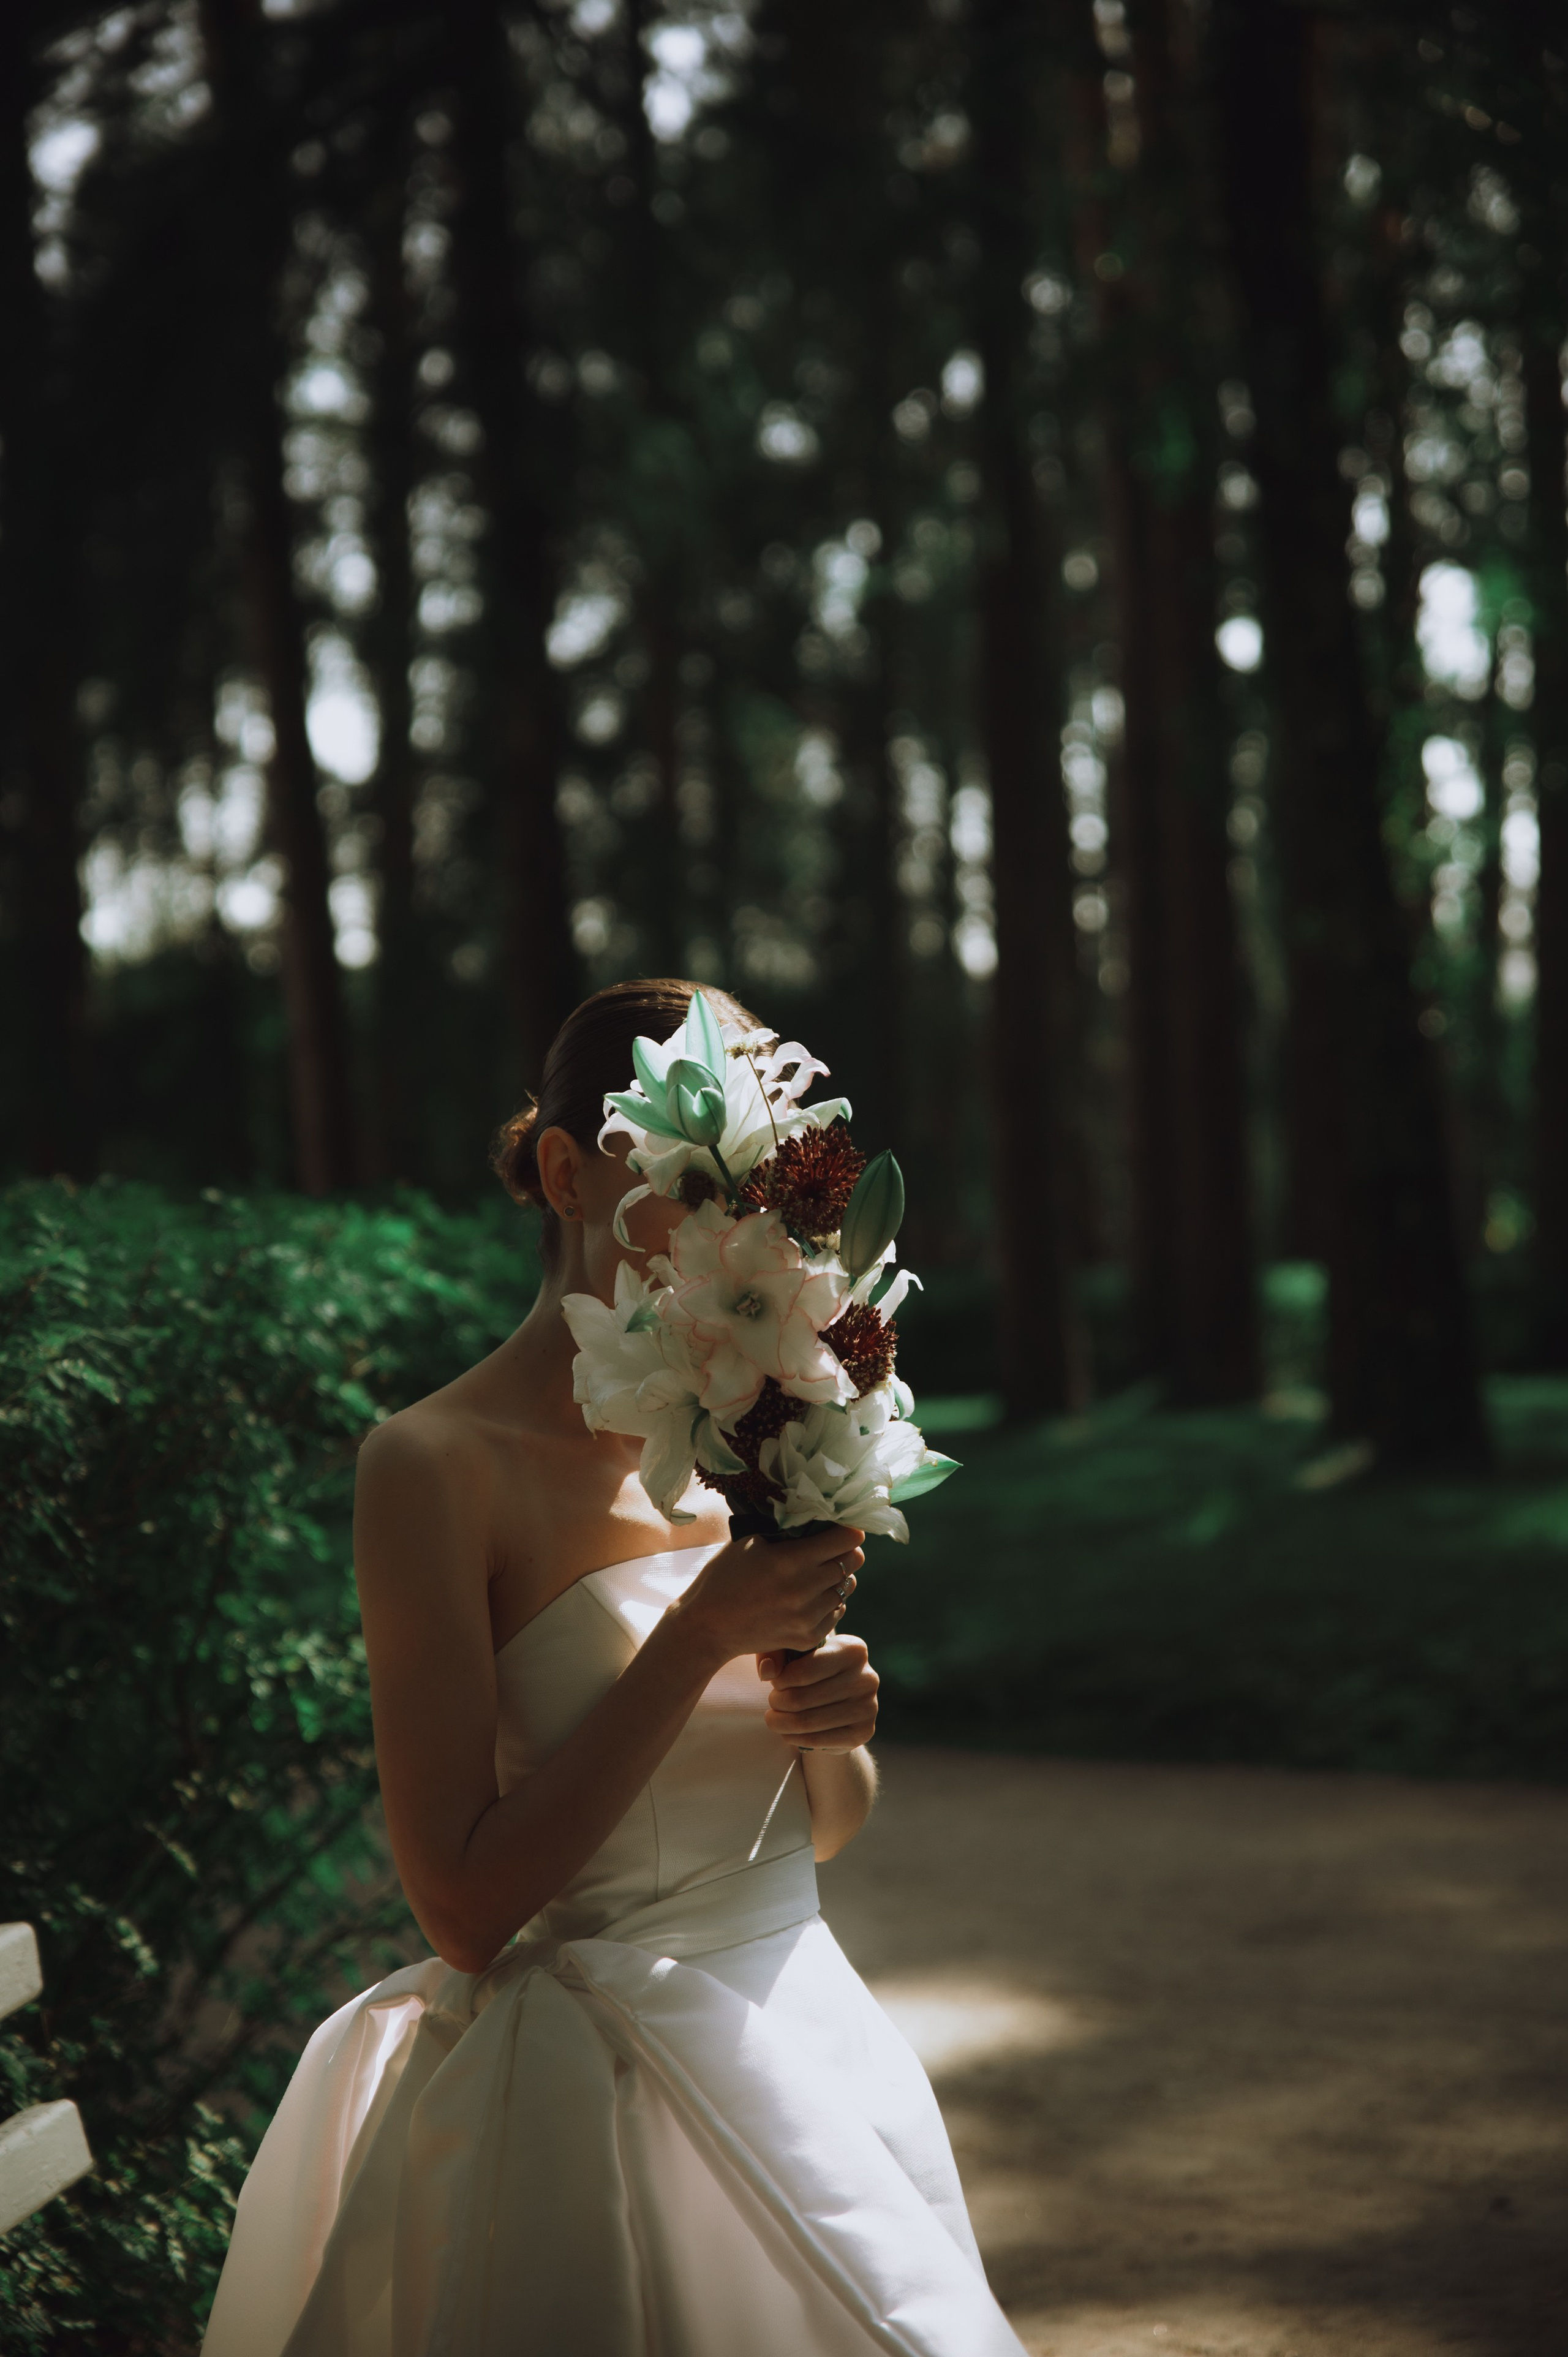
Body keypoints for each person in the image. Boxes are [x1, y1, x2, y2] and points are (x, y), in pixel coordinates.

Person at [203, 978, 1027, 2357]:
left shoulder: (754, 1422)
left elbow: (823, 1825)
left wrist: (832, 1721)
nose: (731, 1229)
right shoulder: (432, 1466)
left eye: (758, 1188)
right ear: (560, 1170)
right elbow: (460, 1906)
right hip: (594, 2106)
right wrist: (701, 1634)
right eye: (684, 1181)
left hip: (811, 2049)